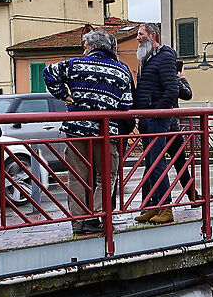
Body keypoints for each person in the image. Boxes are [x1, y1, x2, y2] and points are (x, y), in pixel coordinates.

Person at [44, 28, 135, 237]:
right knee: (107, 176)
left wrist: (64, 95)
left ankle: (78, 223)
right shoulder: (122, 70)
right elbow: (127, 104)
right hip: (104, 131)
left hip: (76, 128)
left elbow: (48, 72)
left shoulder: (75, 64)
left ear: (93, 47)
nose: (83, 51)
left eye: (85, 47)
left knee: (76, 177)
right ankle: (95, 217)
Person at [132, 22, 185, 227]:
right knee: (150, 164)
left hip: (156, 117)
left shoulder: (165, 55)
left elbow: (172, 89)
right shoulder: (145, 58)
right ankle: (154, 204)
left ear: (152, 35)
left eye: (141, 34)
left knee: (157, 162)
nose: (137, 37)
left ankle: (166, 207)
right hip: (146, 117)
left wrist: (156, 112)